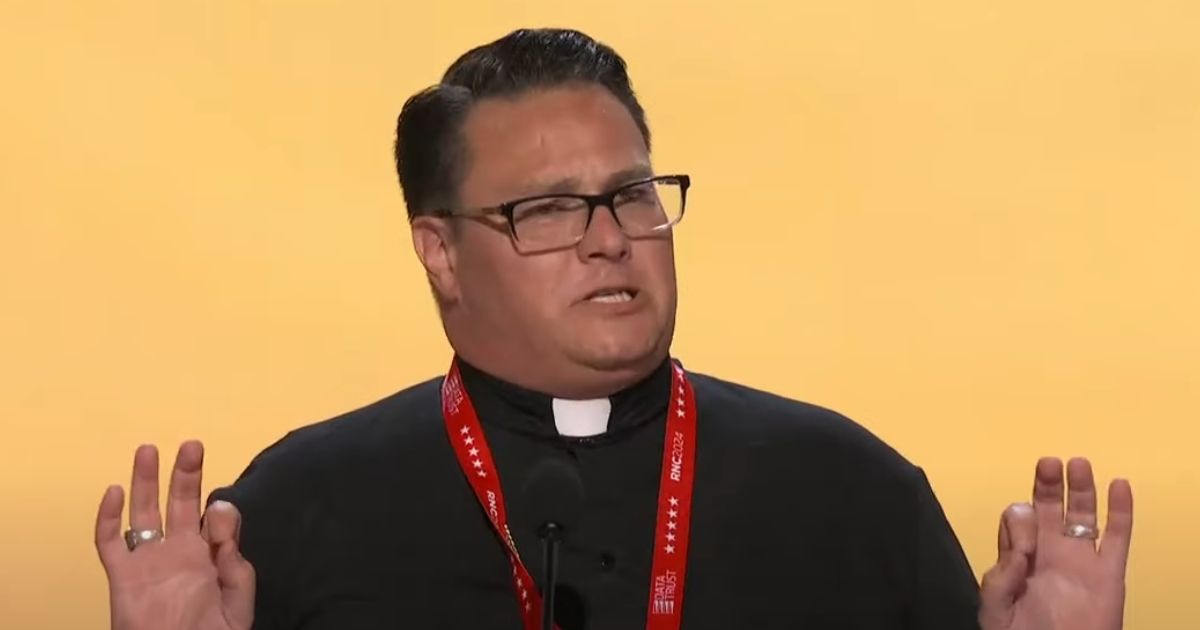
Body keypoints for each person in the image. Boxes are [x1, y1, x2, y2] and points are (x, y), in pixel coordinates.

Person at [94, 28, 1134, 630]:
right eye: (545, 210)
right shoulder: (295, 512)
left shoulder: (852, 495)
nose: (610, 240)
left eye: (632, 194)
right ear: (440, 252)